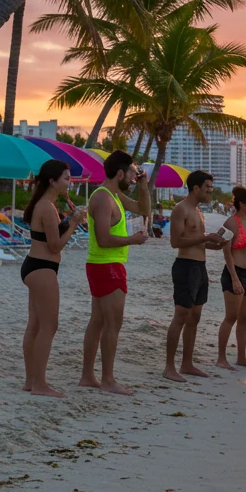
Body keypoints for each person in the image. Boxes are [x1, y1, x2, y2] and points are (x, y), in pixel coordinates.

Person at [78, 151, 150, 395]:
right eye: (131, 173)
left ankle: (88, 376)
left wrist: (143, 186)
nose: (132, 177)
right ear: (119, 173)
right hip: (105, 264)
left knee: (99, 321)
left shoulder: (114, 194)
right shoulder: (102, 198)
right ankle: (107, 379)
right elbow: (103, 238)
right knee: (112, 324)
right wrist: (133, 240)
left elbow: (143, 209)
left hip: (106, 264)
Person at [21, 160, 87, 397]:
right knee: (49, 326)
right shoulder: (47, 207)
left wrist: (69, 220)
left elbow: (51, 235)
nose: (70, 182)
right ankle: (39, 384)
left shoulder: (45, 205)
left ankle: (31, 381)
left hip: (35, 266)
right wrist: (74, 225)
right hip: (42, 268)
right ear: (53, 180)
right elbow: (55, 245)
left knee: (36, 325)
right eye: (67, 178)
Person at [165, 170, 224, 381]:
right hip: (185, 266)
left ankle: (187, 363)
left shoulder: (198, 211)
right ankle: (169, 367)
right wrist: (206, 236)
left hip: (200, 267)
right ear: (196, 188)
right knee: (181, 315)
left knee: (195, 317)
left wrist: (215, 244)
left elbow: (198, 240)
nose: (210, 191)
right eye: (207, 187)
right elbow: (176, 242)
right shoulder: (181, 209)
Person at [216, 186, 246, 370]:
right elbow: (226, 253)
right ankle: (221, 358)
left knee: (244, 318)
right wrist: (234, 279)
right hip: (235, 273)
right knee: (231, 317)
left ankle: (241, 357)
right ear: (242, 204)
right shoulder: (231, 223)